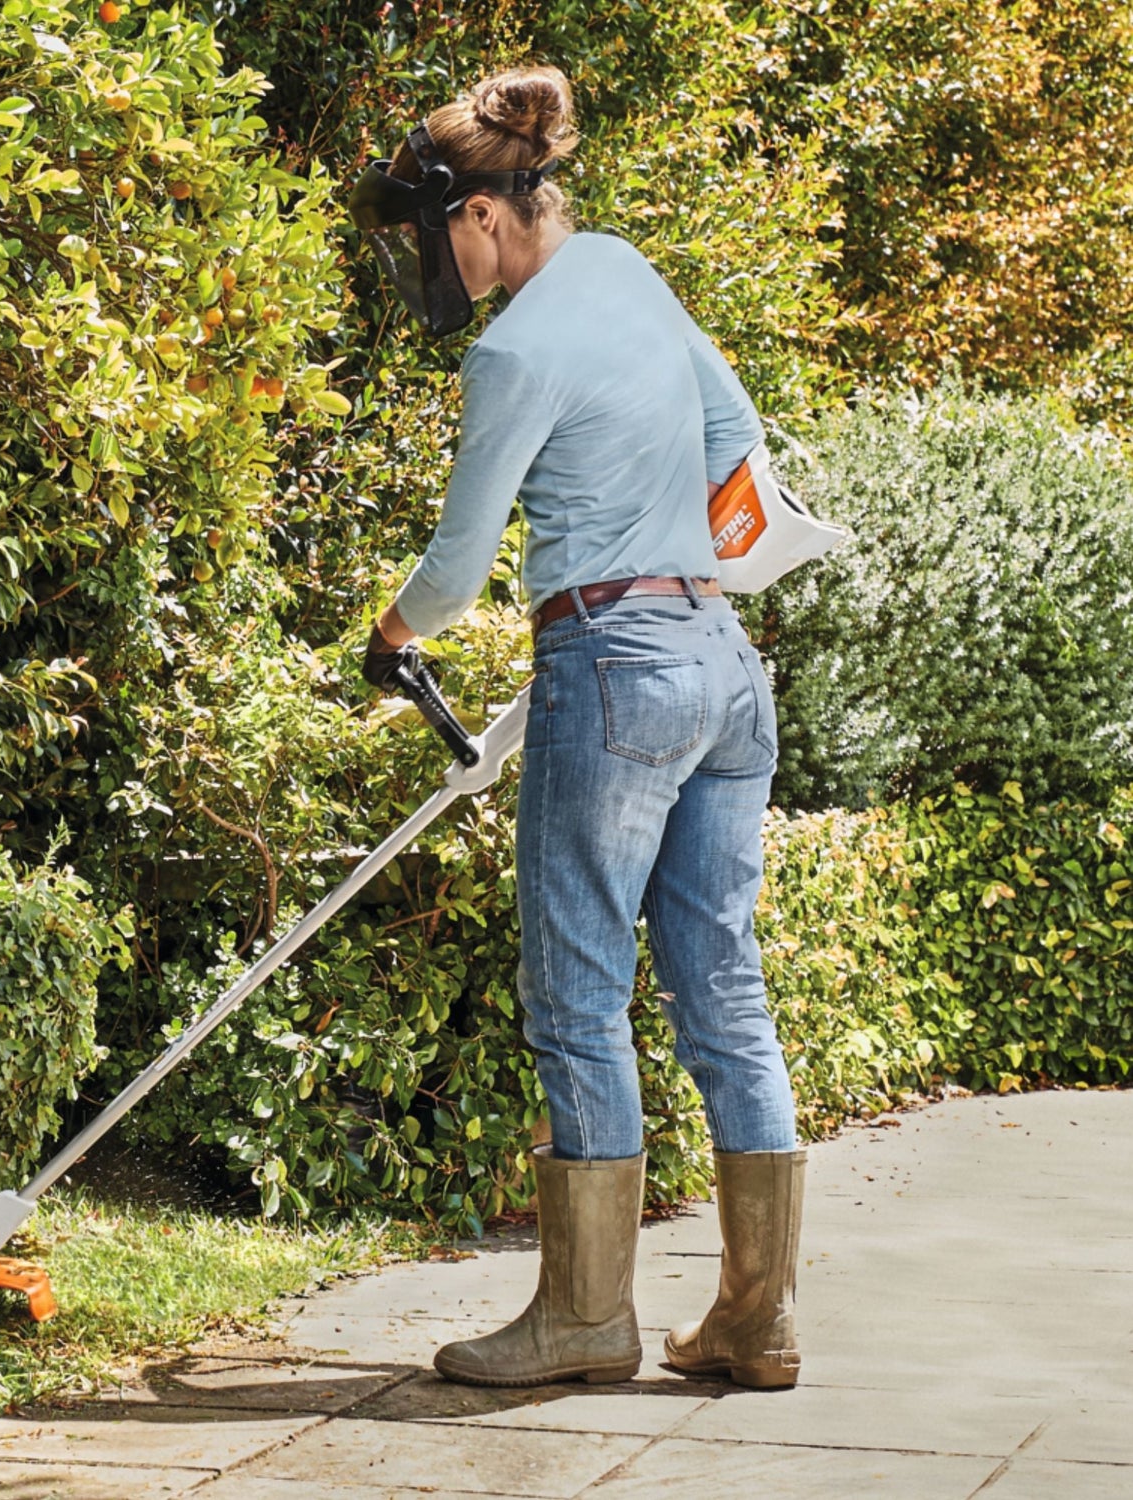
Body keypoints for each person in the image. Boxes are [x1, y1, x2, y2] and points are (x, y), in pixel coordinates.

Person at [348, 65, 806, 1391]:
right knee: (722, 984)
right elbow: (734, 431)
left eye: (436, 238)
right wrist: (671, 550)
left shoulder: (515, 348)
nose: (441, 266)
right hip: (721, 657)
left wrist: (395, 637)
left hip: (613, 661)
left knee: (577, 994)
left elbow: (458, 558)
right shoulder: (625, 267)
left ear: (481, 214)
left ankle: (585, 1320)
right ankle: (757, 1320)